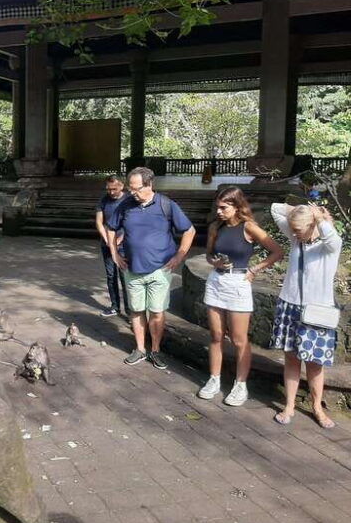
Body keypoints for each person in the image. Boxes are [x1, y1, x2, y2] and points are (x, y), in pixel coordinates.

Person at [198, 187, 284, 406]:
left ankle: (240, 384)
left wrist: (254, 270)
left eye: (223, 207)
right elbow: (209, 254)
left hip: (238, 283)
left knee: (238, 339)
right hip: (217, 281)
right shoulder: (215, 227)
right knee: (216, 335)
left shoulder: (249, 227)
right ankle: (214, 379)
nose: (218, 211)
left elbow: (277, 251)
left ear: (237, 206)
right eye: (217, 207)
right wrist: (213, 262)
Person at [107, 167, 196, 370]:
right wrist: (114, 253)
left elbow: (189, 230)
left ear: (149, 185)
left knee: (156, 312)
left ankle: (155, 350)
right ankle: (140, 348)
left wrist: (179, 255)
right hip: (132, 269)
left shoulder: (166, 205)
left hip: (160, 269)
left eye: (137, 189)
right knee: (136, 310)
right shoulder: (125, 205)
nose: (132, 193)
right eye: (130, 188)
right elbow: (111, 228)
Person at [269, 203, 342, 428]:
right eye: (293, 229)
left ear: (312, 226)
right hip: (290, 305)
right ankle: (289, 405)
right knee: (291, 358)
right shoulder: (295, 238)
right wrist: (302, 210)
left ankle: (317, 407)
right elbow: (274, 209)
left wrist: (321, 219)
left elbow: (333, 239)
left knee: (315, 363)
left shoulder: (329, 247)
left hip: (317, 312)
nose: (294, 234)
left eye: (299, 230)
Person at [95, 175, 129, 317]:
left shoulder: (128, 200)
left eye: (114, 189)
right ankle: (115, 306)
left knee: (125, 277)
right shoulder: (104, 200)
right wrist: (107, 240)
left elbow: (133, 222)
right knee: (111, 276)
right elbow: (99, 222)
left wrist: (121, 238)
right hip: (107, 244)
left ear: (121, 186)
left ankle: (130, 310)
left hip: (124, 245)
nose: (111, 192)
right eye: (108, 189)